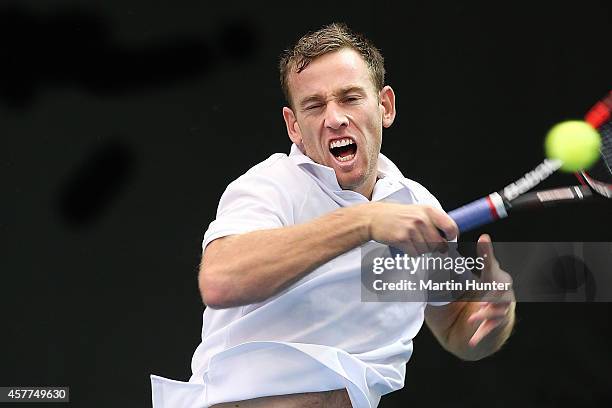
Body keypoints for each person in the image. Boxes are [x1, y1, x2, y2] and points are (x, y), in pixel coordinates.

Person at [150, 22, 516, 408]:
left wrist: (493, 317)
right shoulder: (269, 186)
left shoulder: (417, 206)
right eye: (315, 105)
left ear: (385, 106)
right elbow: (220, 281)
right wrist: (364, 222)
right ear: (294, 126)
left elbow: (459, 328)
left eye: (350, 98)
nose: (335, 118)